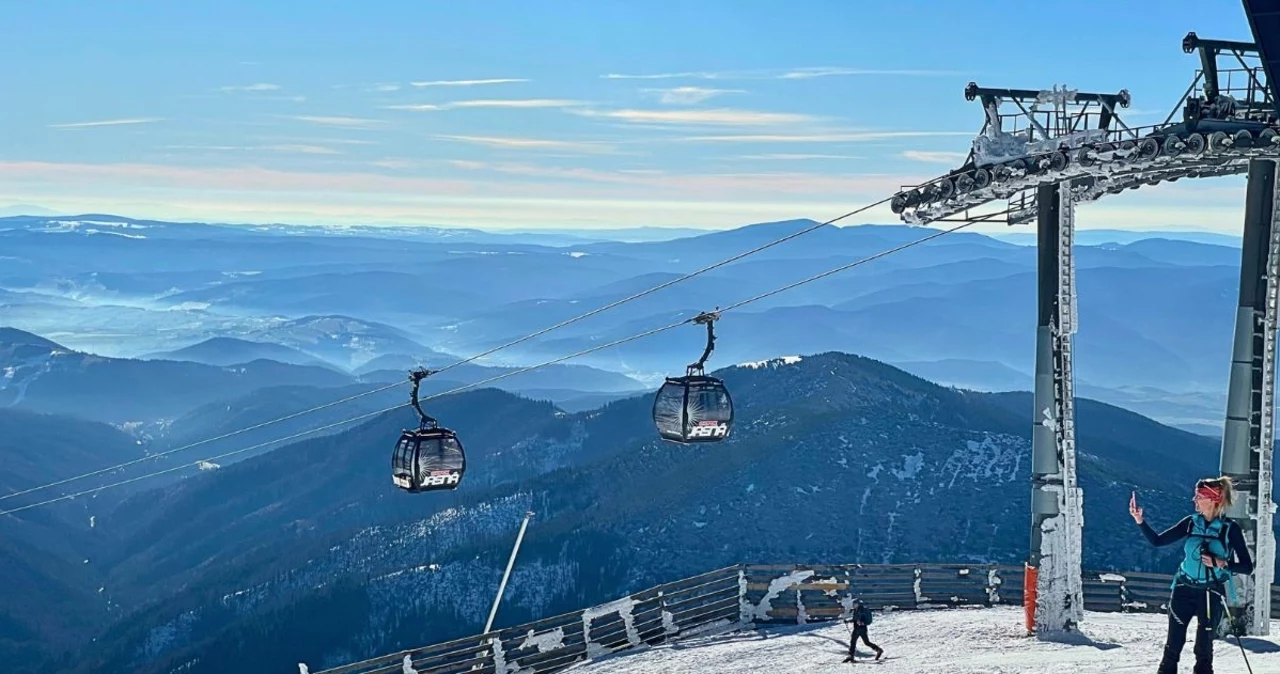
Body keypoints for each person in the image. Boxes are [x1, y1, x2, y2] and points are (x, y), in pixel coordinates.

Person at [1129, 477, 1254, 674]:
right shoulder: (1190, 523)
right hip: (1183, 589)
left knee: (1204, 649)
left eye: (1199, 496)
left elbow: (1247, 567)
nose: (1194, 500)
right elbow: (1158, 541)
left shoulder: (1230, 529)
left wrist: (1222, 563)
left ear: (1213, 499)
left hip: (1211, 592)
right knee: (1173, 646)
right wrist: (1140, 521)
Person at [841, 598, 884, 663]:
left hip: (861, 628)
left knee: (853, 641)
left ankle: (851, 656)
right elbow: (855, 619)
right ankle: (878, 650)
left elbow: (868, 620)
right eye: (853, 604)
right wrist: (848, 621)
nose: (853, 605)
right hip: (858, 628)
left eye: (855, 604)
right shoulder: (856, 610)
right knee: (865, 642)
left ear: (858, 604)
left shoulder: (863, 610)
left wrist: (863, 622)